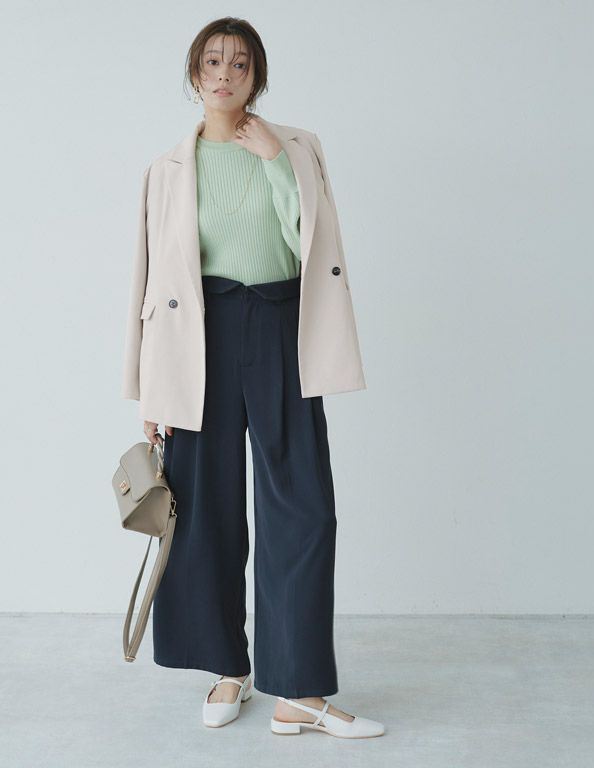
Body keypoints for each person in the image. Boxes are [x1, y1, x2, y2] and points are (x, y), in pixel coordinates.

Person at [122, 16, 383, 739]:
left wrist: (274, 162)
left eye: (240, 63)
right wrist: (150, 390)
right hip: (197, 339)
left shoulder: (297, 147)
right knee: (205, 509)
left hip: (279, 325)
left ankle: (299, 691)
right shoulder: (167, 168)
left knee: (304, 507)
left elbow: (312, 241)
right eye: (212, 61)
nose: (225, 74)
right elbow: (150, 281)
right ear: (194, 73)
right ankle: (226, 668)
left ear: (257, 77)